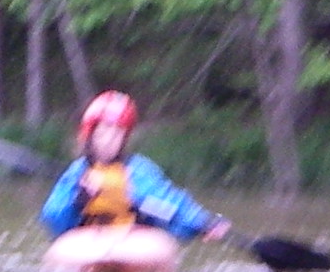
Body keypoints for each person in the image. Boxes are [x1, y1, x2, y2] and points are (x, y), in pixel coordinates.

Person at [40, 92, 227, 242]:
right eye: (103, 133)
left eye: (117, 135)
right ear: (90, 135)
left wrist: (203, 222)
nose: (109, 141)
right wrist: (80, 199)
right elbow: (53, 218)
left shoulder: (138, 171)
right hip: (88, 241)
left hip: (133, 242)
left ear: (124, 139)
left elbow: (170, 204)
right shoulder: (77, 173)